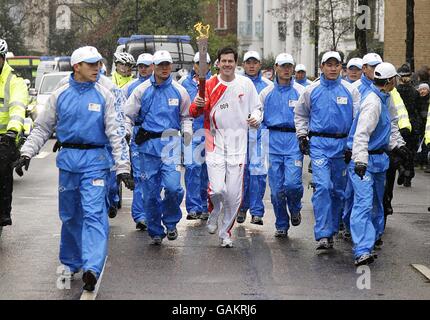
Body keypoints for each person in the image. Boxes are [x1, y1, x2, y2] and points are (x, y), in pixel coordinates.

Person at [14, 46, 134, 291]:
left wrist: (123, 167)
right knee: (69, 216)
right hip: (68, 162)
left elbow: (116, 133)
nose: (96, 68)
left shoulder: (105, 94)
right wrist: (27, 152)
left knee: (93, 214)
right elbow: (42, 128)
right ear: (76, 66)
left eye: (98, 63)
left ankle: (92, 267)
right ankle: (71, 262)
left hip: (96, 163)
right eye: (90, 64)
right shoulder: (60, 95)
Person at [190, 47, 262, 248]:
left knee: (233, 195)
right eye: (224, 61)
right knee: (218, 188)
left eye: (231, 61)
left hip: (239, 144)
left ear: (235, 63)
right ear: (218, 63)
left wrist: (256, 118)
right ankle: (213, 210)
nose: (227, 64)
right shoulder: (210, 84)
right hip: (215, 141)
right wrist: (197, 104)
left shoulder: (245, 84)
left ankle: (225, 232)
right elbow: (194, 111)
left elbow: (257, 108)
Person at [124, 50, 192, 245]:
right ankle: (155, 230)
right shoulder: (141, 90)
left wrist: (187, 134)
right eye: (160, 64)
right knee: (150, 193)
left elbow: (186, 117)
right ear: (154, 66)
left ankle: (170, 222)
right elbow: (127, 115)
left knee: (174, 188)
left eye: (167, 65)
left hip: (170, 144)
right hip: (147, 146)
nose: (164, 68)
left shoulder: (179, 91)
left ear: (171, 66)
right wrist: (127, 132)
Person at [295, 51, 360, 250]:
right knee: (323, 187)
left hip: (342, 146)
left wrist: (352, 145)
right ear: (321, 67)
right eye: (328, 65)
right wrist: (302, 135)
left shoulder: (350, 91)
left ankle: (332, 229)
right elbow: (300, 114)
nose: (332, 68)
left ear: (341, 67)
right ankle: (323, 233)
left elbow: (358, 120)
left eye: (336, 65)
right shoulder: (311, 90)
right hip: (319, 145)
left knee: (338, 191)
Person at [348, 62, 407, 266]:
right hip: (363, 160)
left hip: (378, 159)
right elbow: (361, 135)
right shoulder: (373, 103)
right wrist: (361, 161)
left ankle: (370, 241)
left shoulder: (385, 98)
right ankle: (361, 250)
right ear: (390, 81)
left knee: (375, 204)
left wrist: (397, 146)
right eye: (395, 79)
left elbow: (388, 126)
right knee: (363, 204)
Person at [260, 53, 305, 237]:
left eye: (290, 66)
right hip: (273, 142)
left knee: (292, 184)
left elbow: (308, 115)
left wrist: (305, 137)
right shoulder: (266, 92)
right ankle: (281, 224)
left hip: (294, 141)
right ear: (276, 68)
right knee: (277, 189)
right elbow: (259, 116)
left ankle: (295, 208)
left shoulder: (302, 92)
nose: (287, 70)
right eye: (283, 66)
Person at [342, 53, 383, 240]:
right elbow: (351, 119)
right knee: (351, 193)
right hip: (355, 148)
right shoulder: (354, 88)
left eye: (378, 66)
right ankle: (348, 225)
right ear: (365, 68)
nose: (375, 70)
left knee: (370, 197)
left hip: (376, 152)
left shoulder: (383, 90)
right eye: (372, 66)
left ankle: (370, 235)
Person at [237, 51, 272, 225]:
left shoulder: (267, 85)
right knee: (241, 173)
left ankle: (257, 211)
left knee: (258, 173)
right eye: (248, 62)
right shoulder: (237, 82)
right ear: (243, 64)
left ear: (260, 65)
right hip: (240, 135)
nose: (251, 65)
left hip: (260, 135)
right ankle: (242, 207)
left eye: (255, 62)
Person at [122, 53, 154, 230]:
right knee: (140, 176)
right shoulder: (130, 87)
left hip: (158, 136)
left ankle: (153, 214)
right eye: (140, 66)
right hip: (138, 133)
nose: (143, 69)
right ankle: (140, 216)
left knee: (155, 178)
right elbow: (124, 113)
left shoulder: (161, 85)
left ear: (153, 66)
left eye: (146, 65)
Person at [178, 52, 212, 221]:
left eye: (205, 64)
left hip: (210, 131)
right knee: (192, 168)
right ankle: (193, 207)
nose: (202, 67)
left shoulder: (214, 82)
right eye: (199, 63)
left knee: (207, 171)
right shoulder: (184, 83)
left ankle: (205, 206)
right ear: (194, 65)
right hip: (191, 130)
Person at [0, 38, 29, 227]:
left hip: (5, 137)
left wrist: (12, 131)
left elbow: (17, 108)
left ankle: (3, 213)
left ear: (2, 58)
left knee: (2, 169)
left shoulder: (14, 80)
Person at [396, 63, 421, 187]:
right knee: (410, 150)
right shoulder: (415, 92)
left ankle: (400, 167)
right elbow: (418, 109)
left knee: (399, 149)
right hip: (412, 123)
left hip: (399, 124)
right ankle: (408, 175)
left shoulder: (395, 92)